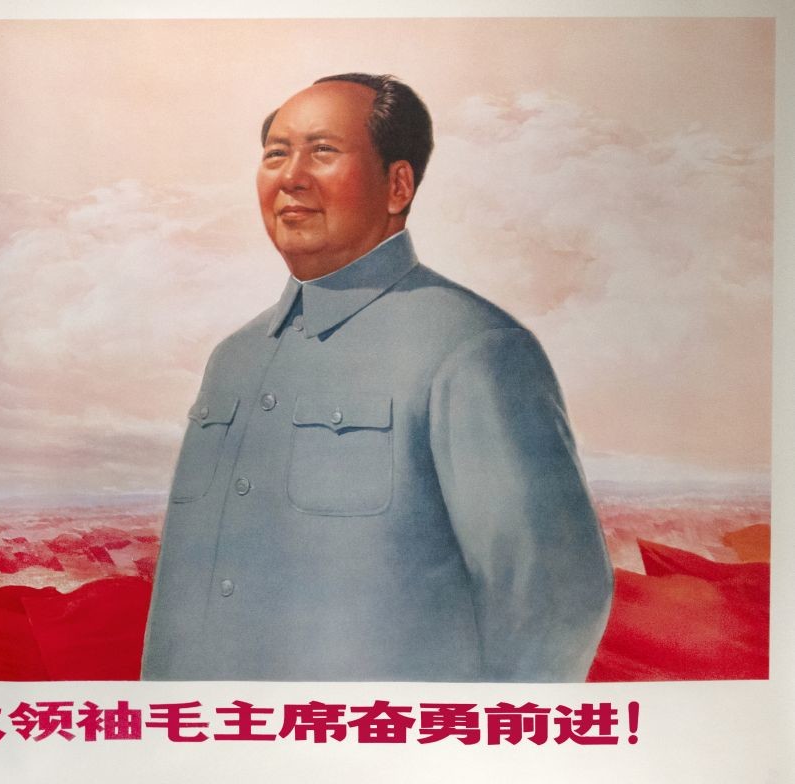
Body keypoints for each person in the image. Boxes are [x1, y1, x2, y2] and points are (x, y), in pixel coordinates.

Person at [142, 73, 614, 682]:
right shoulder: (233, 357)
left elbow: (557, 598)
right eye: (276, 154)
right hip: (209, 756)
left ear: (398, 185)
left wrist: (482, 763)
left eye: (323, 151)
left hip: (385, 762)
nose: (291, 176)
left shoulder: (472, 347)